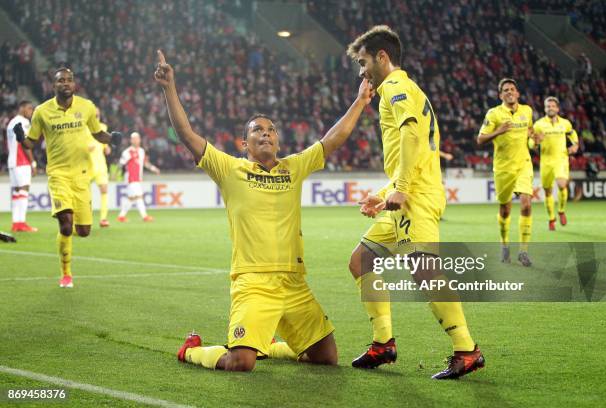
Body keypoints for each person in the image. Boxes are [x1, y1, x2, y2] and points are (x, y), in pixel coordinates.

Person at [155, 49, 373, 372]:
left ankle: (267, 345)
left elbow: (332, 140)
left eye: (270, 130)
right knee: (240, 363)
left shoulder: (293, 167)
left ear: (279, 142)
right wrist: (169, 88)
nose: (266, 134)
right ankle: (191, 351)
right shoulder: (230, 170)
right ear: (244, 144)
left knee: (327, 358)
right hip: (253, 283)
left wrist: (360, 102)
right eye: (257, 130)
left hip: (293, 282)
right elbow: (187, 135)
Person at [346, 25, 483, 379]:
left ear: (382, 57)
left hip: (417, 195)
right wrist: (383, 193)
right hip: (408, 192)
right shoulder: (403, 88)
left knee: (424, 270)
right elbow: (413, 146)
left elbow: (412, 132)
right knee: (362, 261)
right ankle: (383, 344)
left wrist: (402, 186)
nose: (362, 72)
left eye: (363, 63)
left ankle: (466, 350)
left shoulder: (394, 86)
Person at [16, 68, 122, 288]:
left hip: (82, 175)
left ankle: (69, 235)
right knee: (65, 224)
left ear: (74, 84)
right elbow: (31, 142)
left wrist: (112, 139)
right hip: (58, 175)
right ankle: (66, 274)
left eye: (69, 80)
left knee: (83, 232)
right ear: (53, 86)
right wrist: (20, 138)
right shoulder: (42, 111)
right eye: (61, 81)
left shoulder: (87, 107)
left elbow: (97, 134)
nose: (66, 83)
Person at [477, 78, 534, 267]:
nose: (510, 92)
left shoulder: (527, 111)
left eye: (512, 89)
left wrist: (535, 139)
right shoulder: (494, 114)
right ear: (501, 95)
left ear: (517, 93)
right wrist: (498, 132)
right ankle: (504, 244)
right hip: (503, 168)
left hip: (524, 164)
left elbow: (530, 132)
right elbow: (480, 139)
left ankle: (523, 251)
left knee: (526, 204)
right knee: (505, 209)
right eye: (506, 90)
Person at [533, 97, 579, 230]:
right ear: (544, 108)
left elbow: (572, 133)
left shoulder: (565, 123)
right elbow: (530, 143)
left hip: (561, 160)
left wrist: (575, 145)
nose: (550, 108)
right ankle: (551, 218)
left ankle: (561, 210)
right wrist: (536, 142)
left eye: (553, 106)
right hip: (546, 162)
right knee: (547, 192)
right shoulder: (539, 125)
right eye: (548, 106)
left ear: (557, 108)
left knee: (561, 185)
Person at [6, 100, 37, 232]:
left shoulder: (11, 122)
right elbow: (24, 144)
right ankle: (22, 223)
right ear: (22, 108)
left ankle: (16, 223)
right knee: (24, 189)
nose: (31, 112)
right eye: (29, 109)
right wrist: (33, 162)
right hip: (21, 161)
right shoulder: (23, 122)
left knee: (17, 192)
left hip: (12, 161)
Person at [117, 132, 160, 223]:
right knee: (139, 196)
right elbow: (120, 164)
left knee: (131, 198)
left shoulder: (141, 151)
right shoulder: (127, 152)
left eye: (138, 138)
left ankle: (121, 216)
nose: (137, 140)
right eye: (134, 138)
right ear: (131, 140)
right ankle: (145, 216)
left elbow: (145, 163)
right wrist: (117, 173)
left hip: (138, 178)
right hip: (131, 178)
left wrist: (154, 169)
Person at [88, 108, 112, 227]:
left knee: (104, 190)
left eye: (98, 114)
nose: (97, 115)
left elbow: (104, 144)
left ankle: (103, 218)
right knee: (85, 194)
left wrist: (106, 147)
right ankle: (86, 217)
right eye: (94, 114)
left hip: (100, 164)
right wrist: (85, 148)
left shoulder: (103, 127)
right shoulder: (84, 128)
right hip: (87, 165)